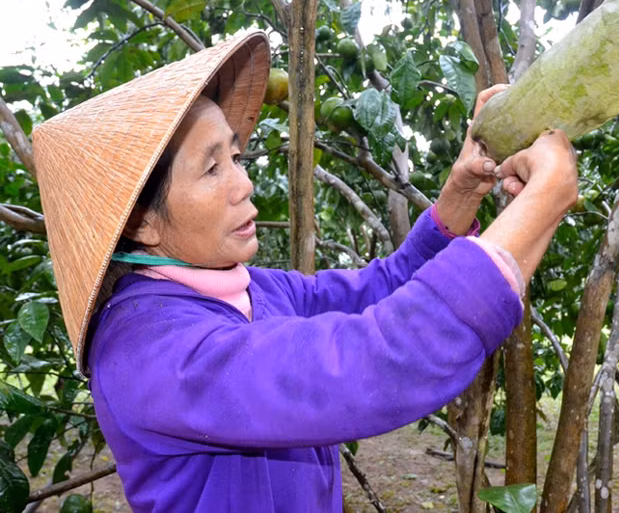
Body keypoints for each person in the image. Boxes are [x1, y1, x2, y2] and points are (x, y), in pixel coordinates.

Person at [33, 32, 577, 512]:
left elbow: (384, 288)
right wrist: (542, 204)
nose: (244, 184)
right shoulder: (146, 354)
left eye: (236, 158)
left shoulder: (256, 291)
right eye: (211, 168)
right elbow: (372, 363)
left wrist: (461, 189)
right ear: (143, 223)